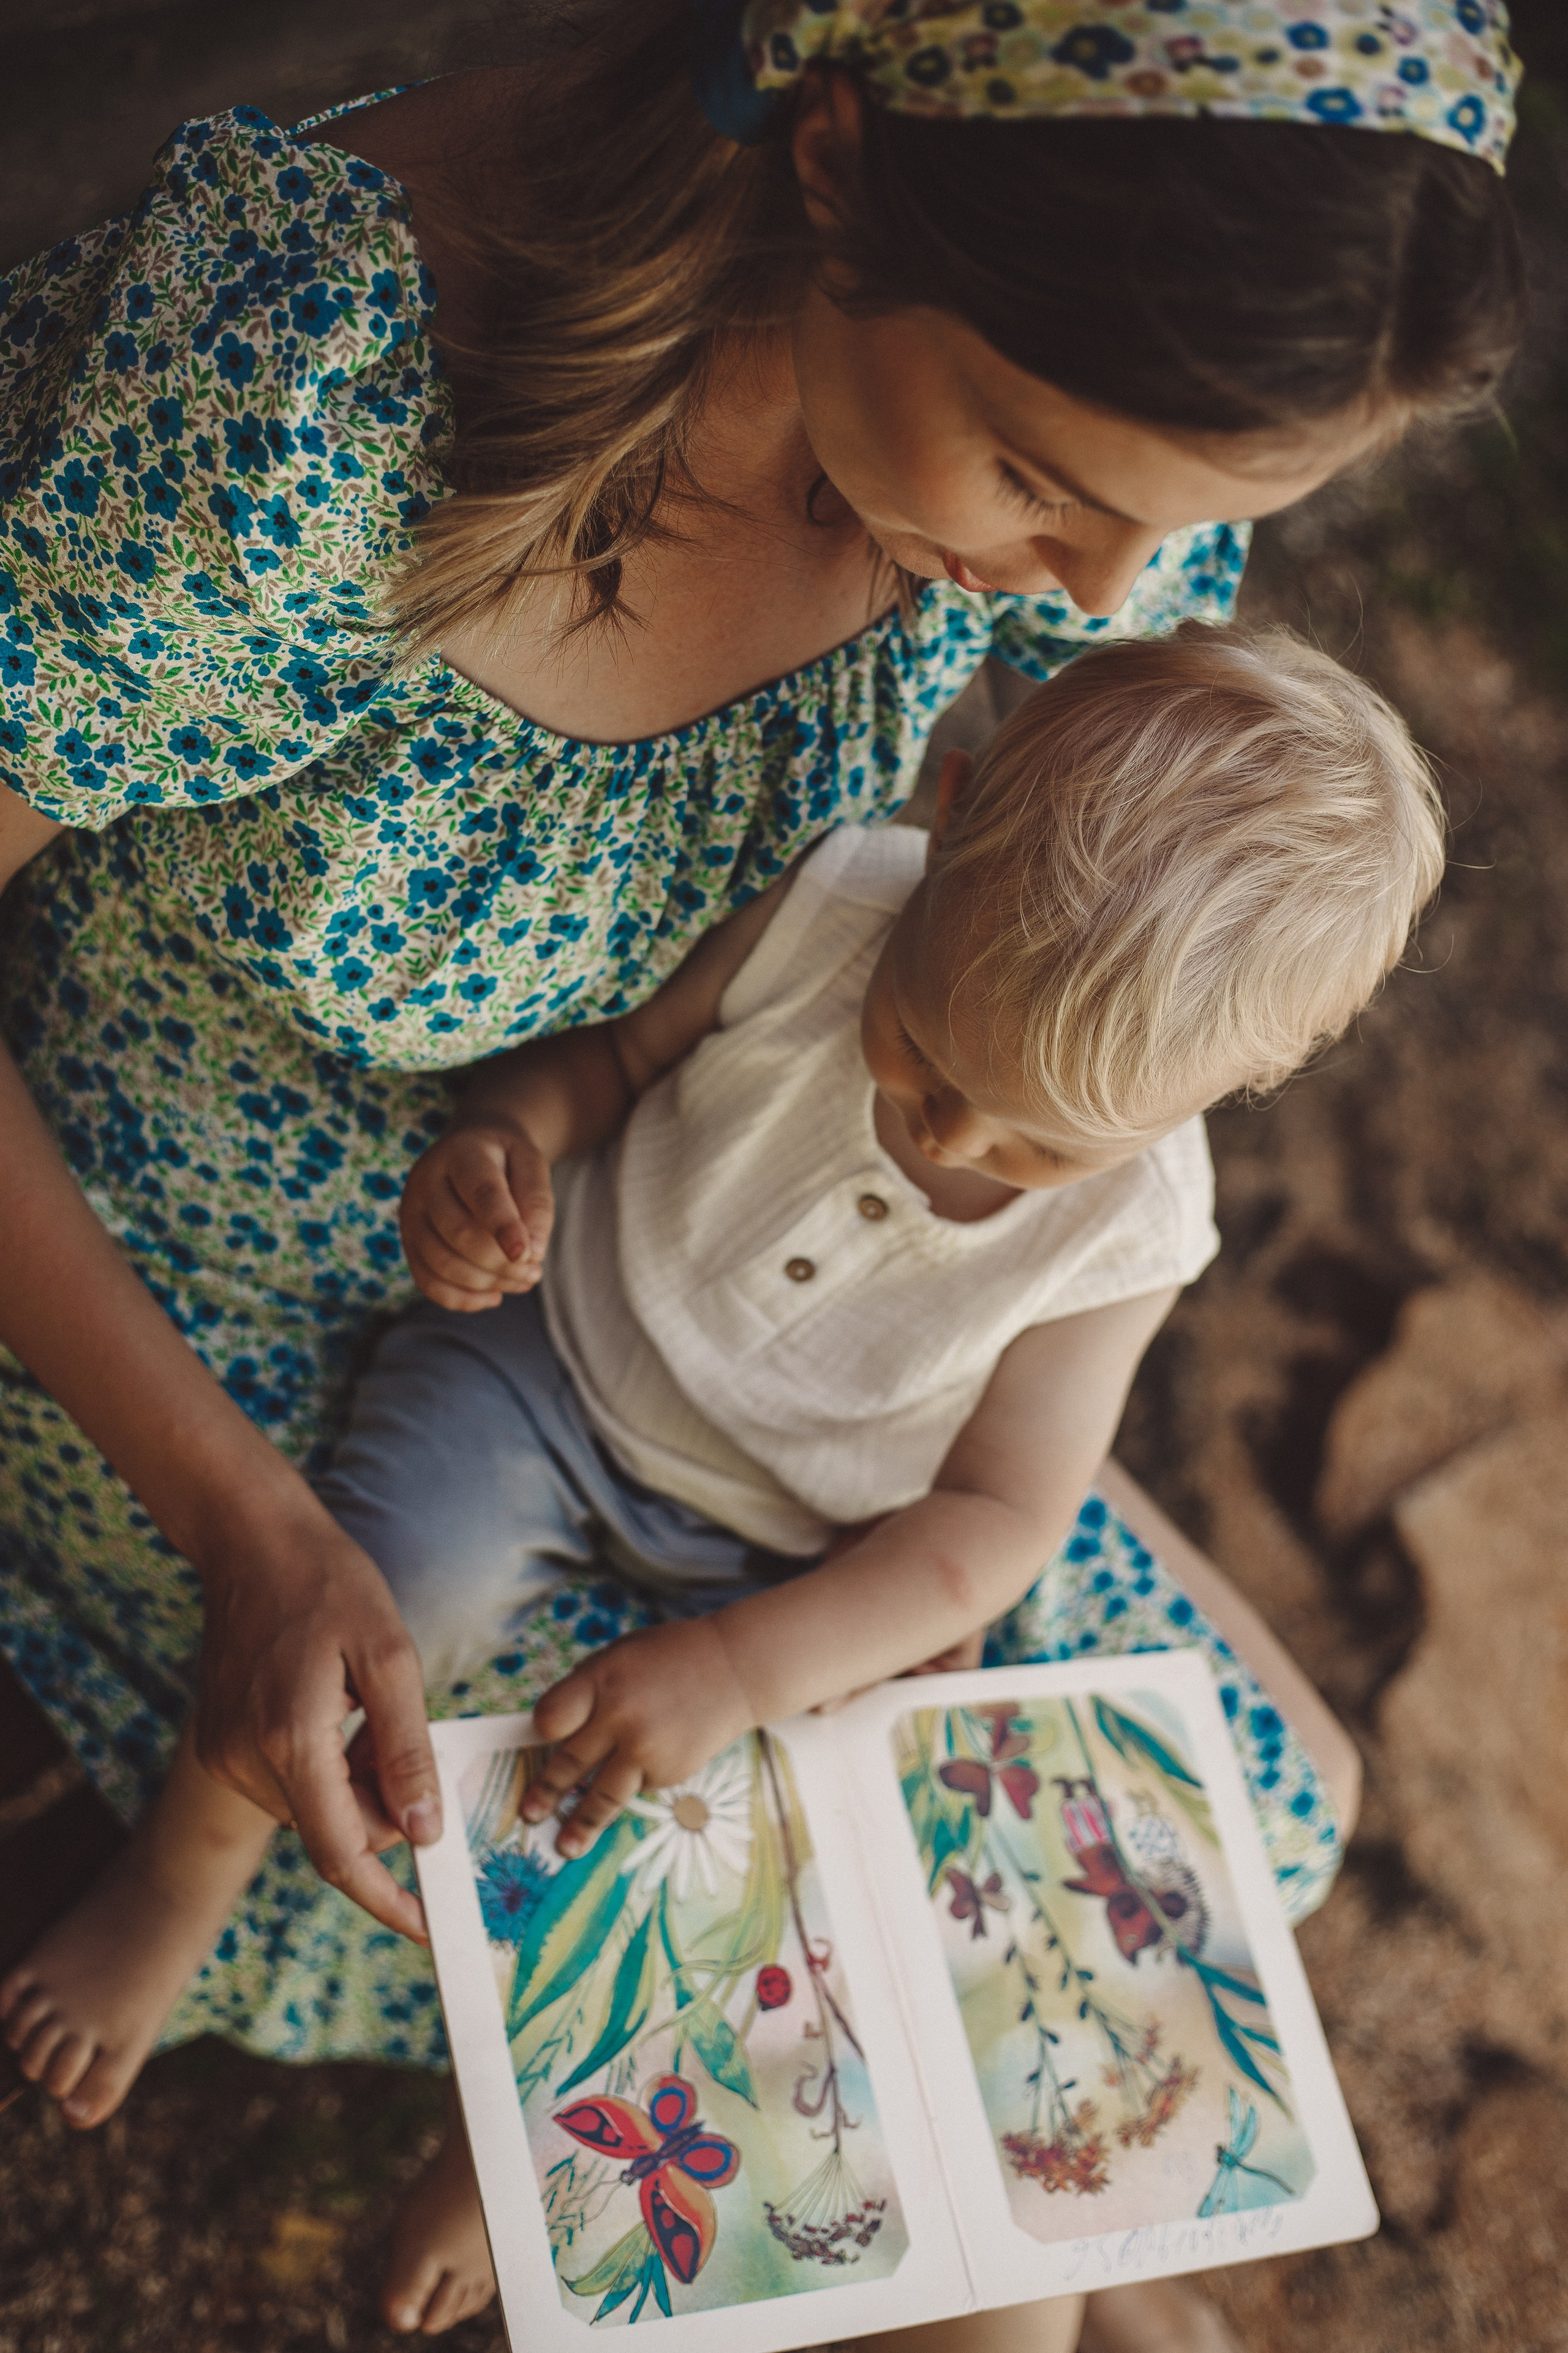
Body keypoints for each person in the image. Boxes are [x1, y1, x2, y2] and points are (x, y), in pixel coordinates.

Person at [0, 0, 1522, 2337]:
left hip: (753, 1335)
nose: (1109, 598)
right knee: (655, 1820)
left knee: (1220, 1805)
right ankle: (646, 2162)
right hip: (254, 1271)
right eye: (1045, 478)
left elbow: (1056, 1053)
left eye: (1194, 527)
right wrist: (244, 1517)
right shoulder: (309, 405)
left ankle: (975, 2250)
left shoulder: (1073, 581)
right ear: (836, 159)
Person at [4, 622, 1445, 2345]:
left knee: (747, 1829)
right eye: (921, 1053)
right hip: (547, 1375)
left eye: (1033, 1142)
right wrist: (509, 1144)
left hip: (795, 1544)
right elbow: (612, 1067)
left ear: (1234, 1087)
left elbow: (993, 1522)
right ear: (955, 815)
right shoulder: (836, 906)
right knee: (385, 1593)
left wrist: (755, 1662)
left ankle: (532, 2125)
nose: (952, 1144)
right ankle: (184, 1869)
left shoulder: (1137, 1228)